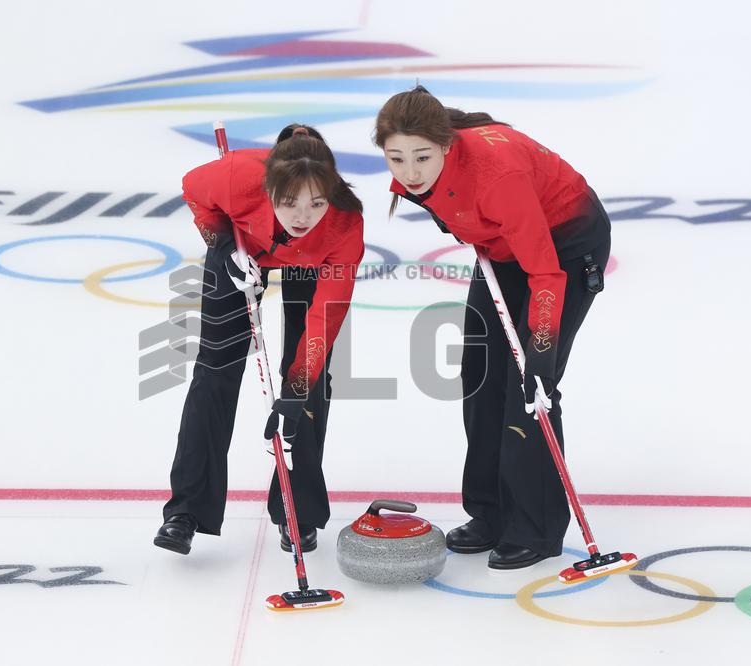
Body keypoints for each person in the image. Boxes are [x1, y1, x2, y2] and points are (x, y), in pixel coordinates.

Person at [373, 86, 611, 570]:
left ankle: (535, 527)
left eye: (421, 157)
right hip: (501, 249)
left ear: (446, 145)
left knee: (528, 387)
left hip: (564, 246)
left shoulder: (499, 177)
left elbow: (545, 272)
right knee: (480, 374)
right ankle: (490, 512)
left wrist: (540, 347)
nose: (410, 172)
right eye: (396, 158)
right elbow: (448, 200)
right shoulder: (416, 175)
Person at [154, 124, 364, 556]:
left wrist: (296, 389)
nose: (303, 216)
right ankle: (186, 509)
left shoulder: (344, 223)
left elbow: (328, 314)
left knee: (310, 384)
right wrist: (224, 242)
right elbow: (193, 189)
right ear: (268, 188)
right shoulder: (236, 176)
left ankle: (297, 510)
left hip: (313, 261)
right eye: (289, 203)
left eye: (316, 203)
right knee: (215, 370)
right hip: (243, 248)